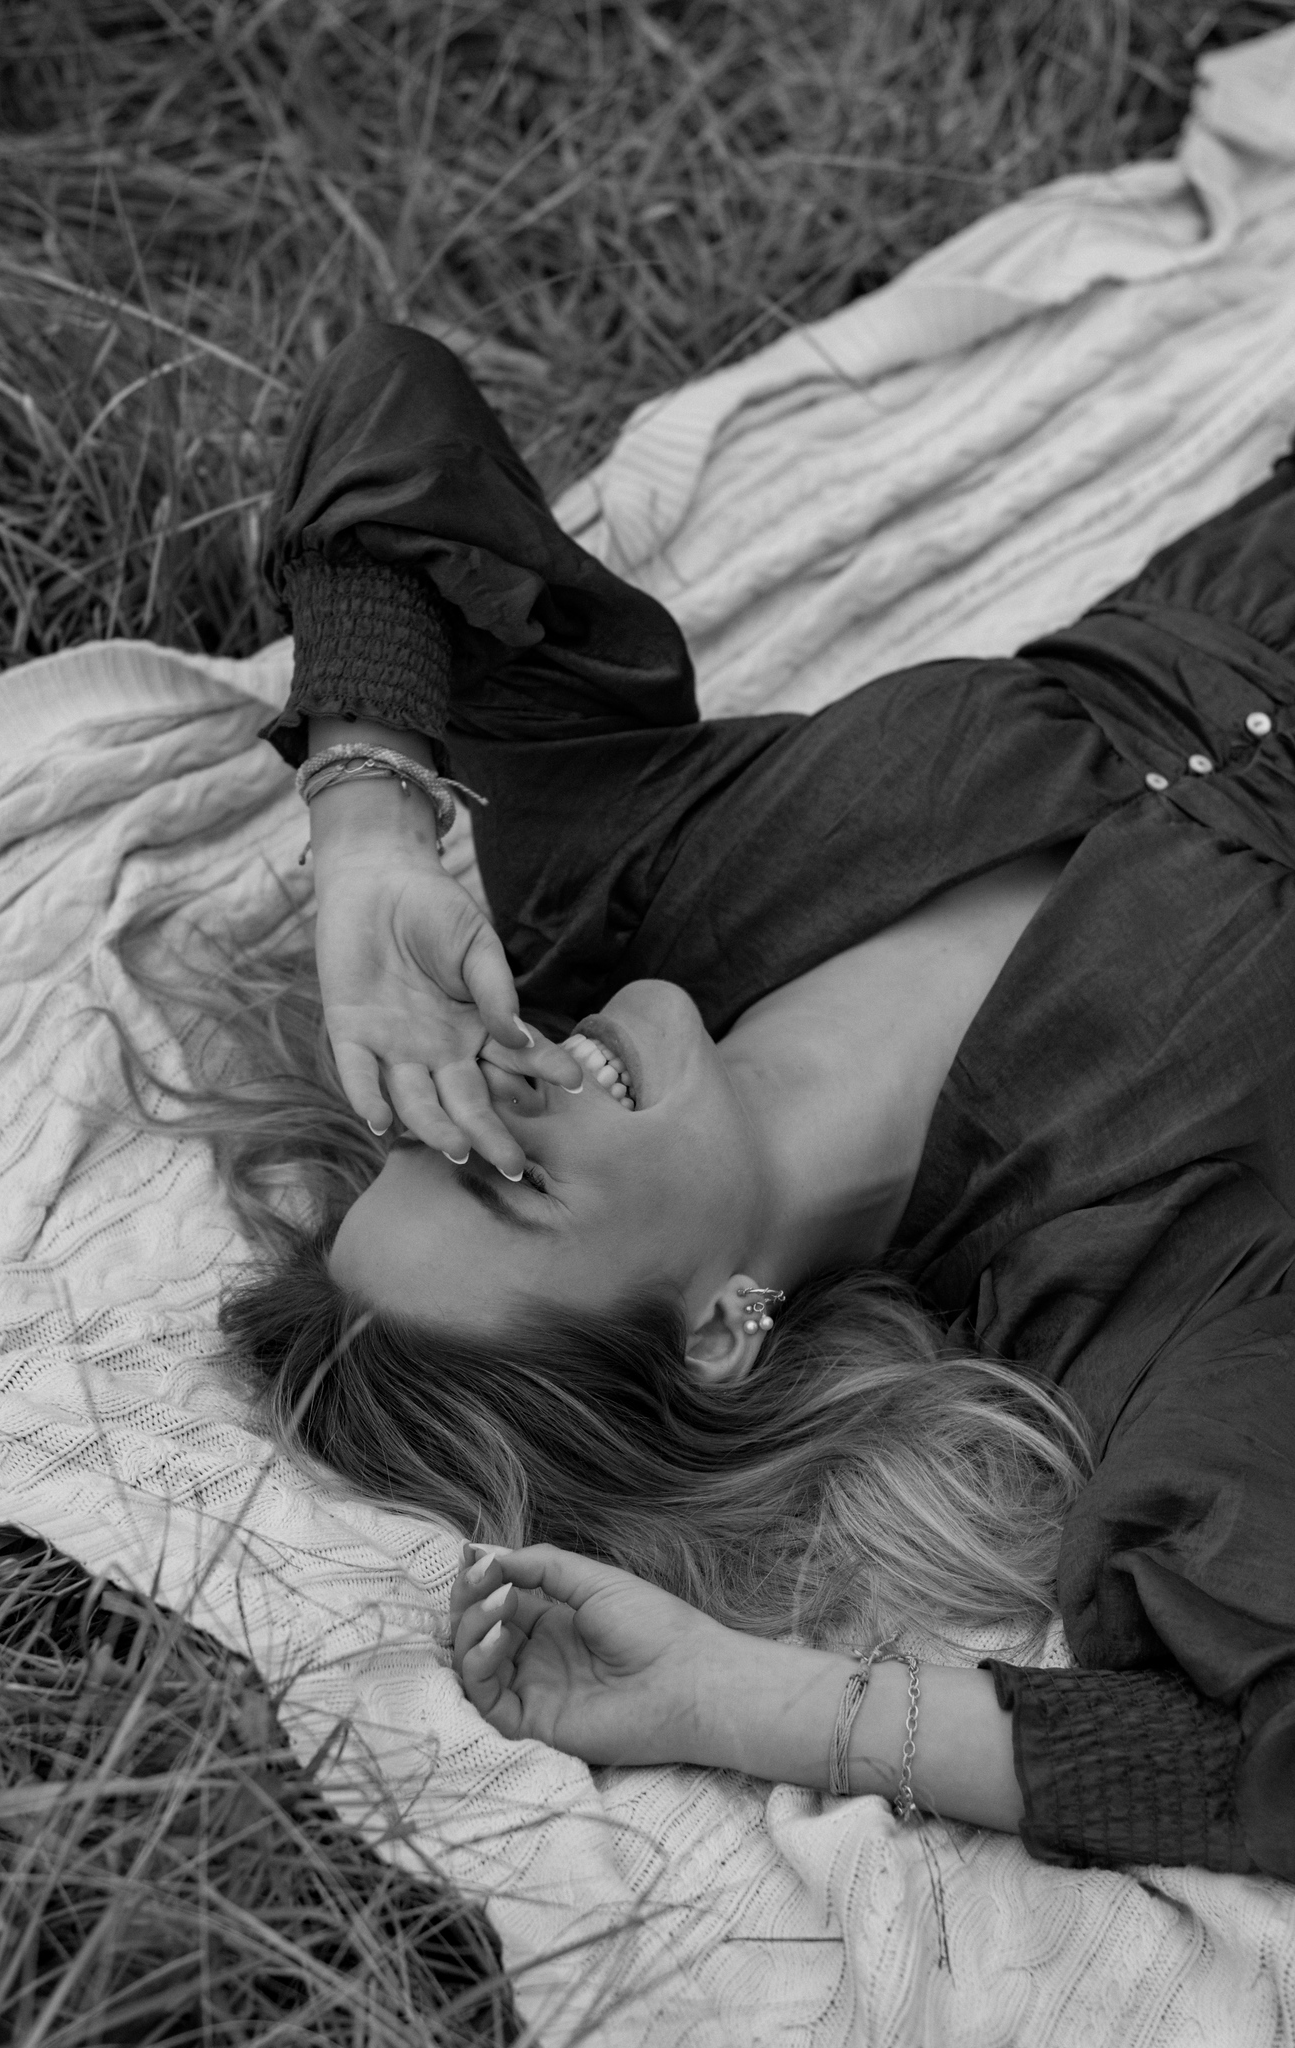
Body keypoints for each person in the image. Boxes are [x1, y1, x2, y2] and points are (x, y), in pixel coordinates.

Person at [213, 317, 1295, 1879]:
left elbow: (386, 400)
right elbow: (1260, 1753)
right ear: (719, 1330)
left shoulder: (644, 882)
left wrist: (367, 817)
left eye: (440, 1124)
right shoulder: (1131, 1290)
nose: (504, 1085)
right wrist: (743, 1700)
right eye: (510, 1180)